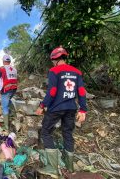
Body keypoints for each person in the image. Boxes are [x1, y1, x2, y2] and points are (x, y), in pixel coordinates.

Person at [35, 47, 87, 177]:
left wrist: (42, 105)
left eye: (52, 60)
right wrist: (83, 109)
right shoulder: (77, 72)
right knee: (67, 134)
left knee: (46, 132)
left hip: (56, 108)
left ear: (54, 59)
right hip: (71, 108)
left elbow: (52, 91)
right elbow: (81, 91)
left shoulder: (54, 70)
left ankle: (52, 168)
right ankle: (69, 166)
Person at [0, 54, 17, 131]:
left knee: (4, 107)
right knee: (8, 100)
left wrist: (0, 91)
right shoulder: (14, 69)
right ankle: (14, 115)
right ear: (9, 61)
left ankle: (6, 127)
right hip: (14, 89)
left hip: (6, 89)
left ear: (3, 61)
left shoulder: (2, 68)